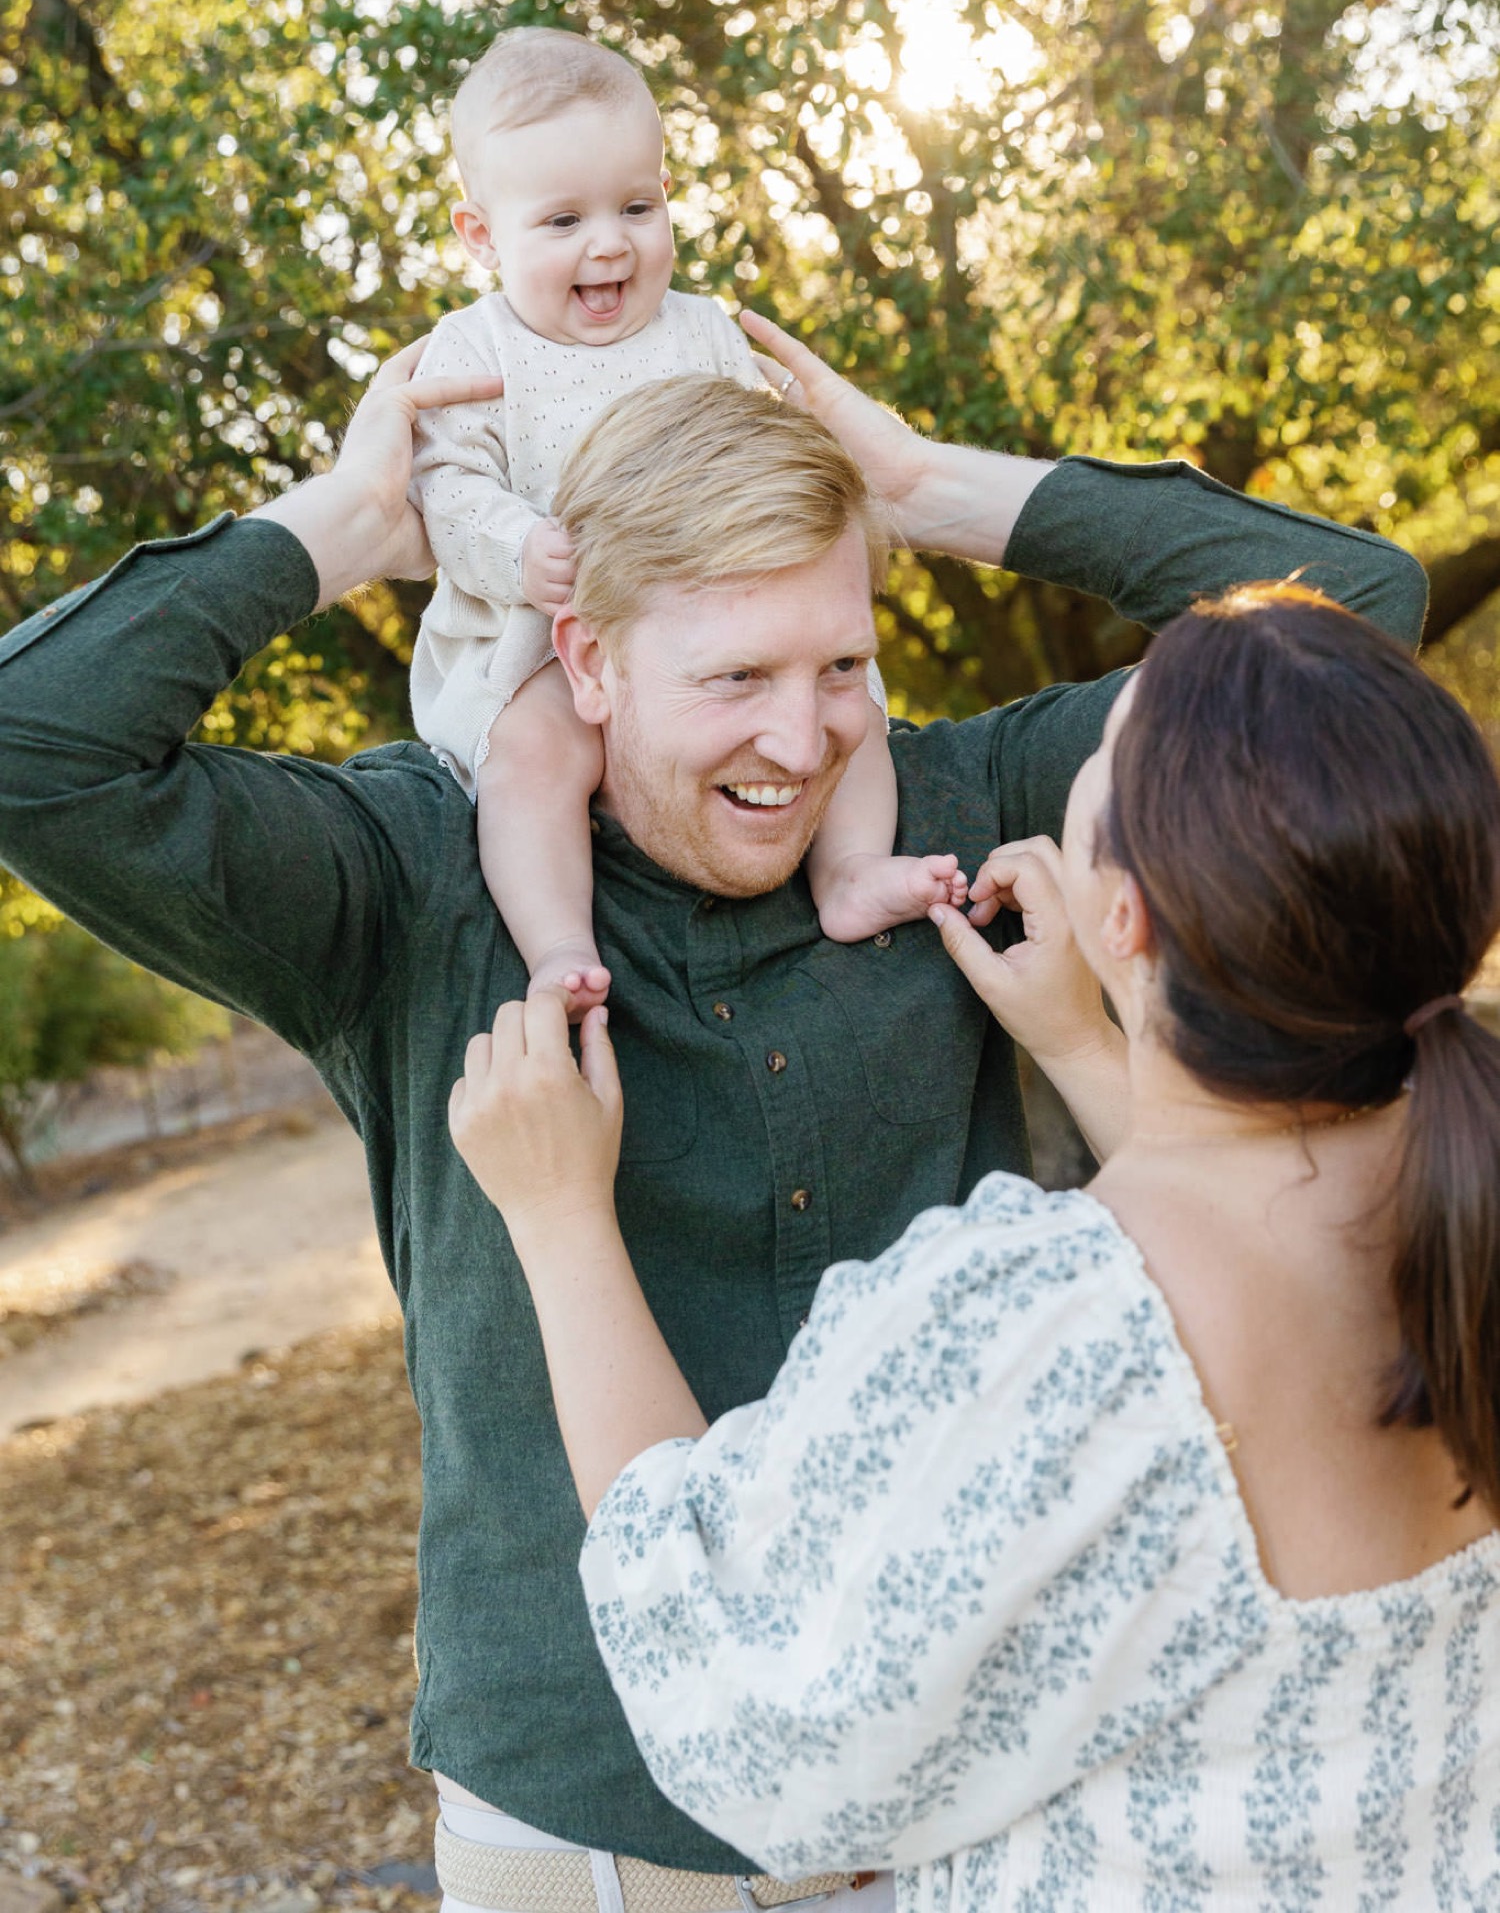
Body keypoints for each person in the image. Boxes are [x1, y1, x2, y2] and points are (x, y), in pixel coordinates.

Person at [0, 318, 1427, 1913]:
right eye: (735, 675)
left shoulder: (948, 809)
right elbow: (38, 745)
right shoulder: (411, 875)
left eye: (840, 663)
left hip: (966, 1824)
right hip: (587, 1836)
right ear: (589, 660)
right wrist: (343, 525)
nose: (801, 737)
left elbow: (1348, 629)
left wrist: (922, 484)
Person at [450, 582, 1500, 1909]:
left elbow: (743, 1703)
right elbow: (1253, 1235)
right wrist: (1077, 1036)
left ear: (1126, 915)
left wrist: (558, 1219)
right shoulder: (1455, 1201)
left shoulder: (1038, 1321)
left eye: (1094, 771)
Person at [409, 26, 960, 1013]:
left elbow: (781, 448)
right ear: (481, 237)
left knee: (853, 712)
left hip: (726, 618)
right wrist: (515, 546)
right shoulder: (475, 350)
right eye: (563, 220)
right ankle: (557, 943)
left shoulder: (703, 329)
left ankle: (849, 873)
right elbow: (445, 487)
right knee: (535, 753)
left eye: (637, 204)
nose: (610, 242)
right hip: (544, 631)